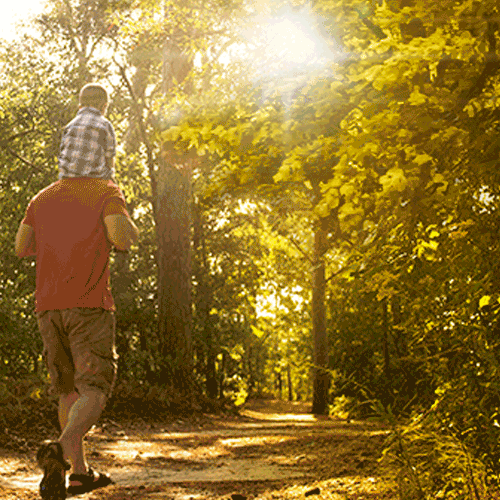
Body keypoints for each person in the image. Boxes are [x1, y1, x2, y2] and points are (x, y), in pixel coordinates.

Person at [15, 85, 139, 499]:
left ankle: (78, 474)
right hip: (88, 307)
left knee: (67, 389)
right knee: (94, 388)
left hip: (48, 307)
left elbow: (21, 247)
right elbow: (121, 239)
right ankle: (62, 448)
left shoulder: (42, 197)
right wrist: (129, 228)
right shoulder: (105, 192)